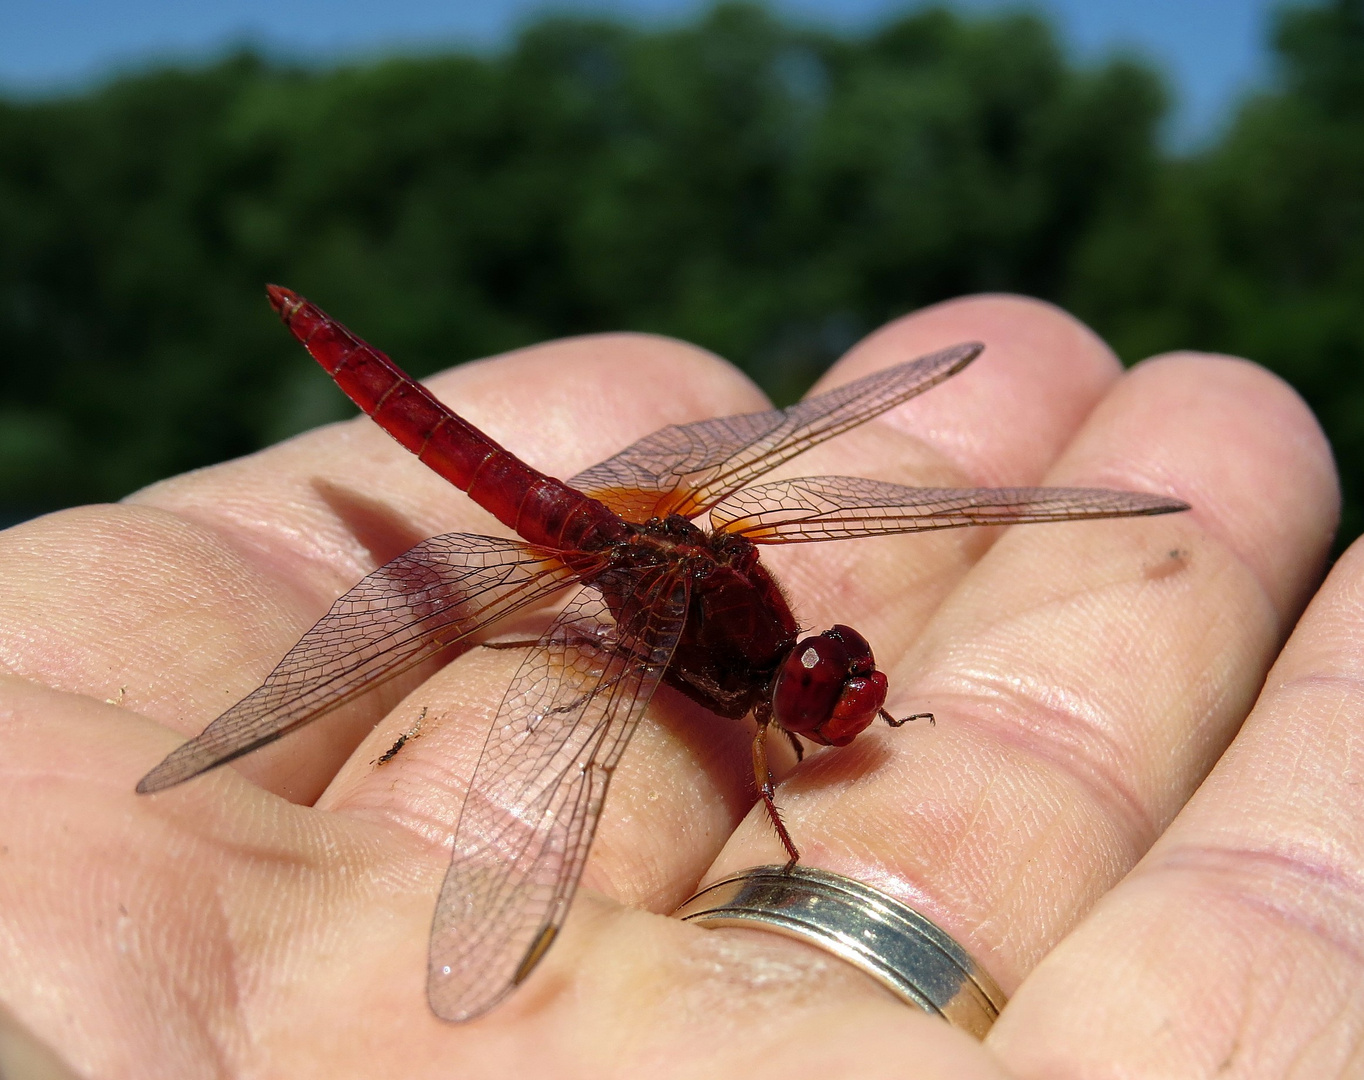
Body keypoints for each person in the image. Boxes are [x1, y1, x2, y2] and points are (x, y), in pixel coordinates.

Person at [0, 293, 1352, 1078]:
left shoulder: (767, 617)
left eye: (843, 682)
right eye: (831, 689)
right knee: (577, 653)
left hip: (648, 543)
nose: (843, 690)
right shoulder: (694, 651)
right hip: (579, 537)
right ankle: (328, 337)